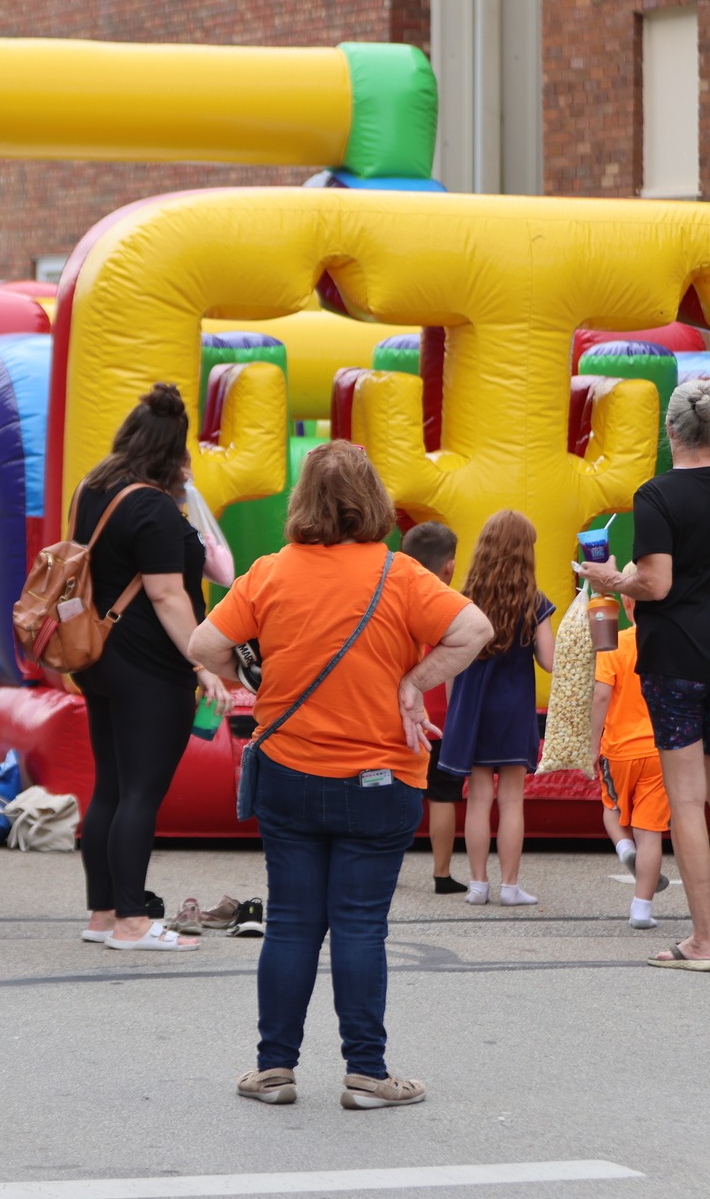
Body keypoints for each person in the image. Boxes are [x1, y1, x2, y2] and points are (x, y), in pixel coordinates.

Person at [190, 441, 491, 1111]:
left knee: (293, 922)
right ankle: (367, 1072)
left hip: (289, 771)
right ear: (373, 501)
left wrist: (251, 676)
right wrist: (415, 681)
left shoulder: (271, 573)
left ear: (303, 501)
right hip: (380, 776)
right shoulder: (402, 576)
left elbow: (203, 646)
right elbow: (475, 629)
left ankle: (274, 1069)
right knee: (360, 924)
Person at [577, 379, 710, 971]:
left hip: (676, 659)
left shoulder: (657, 494)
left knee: (686, 800)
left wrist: (612, 582)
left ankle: (700, 941)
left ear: (670, 432)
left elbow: (657, 584)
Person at [65, 384, 230, 951]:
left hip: (97, 657)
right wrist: (203, 662)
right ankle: (133, 923)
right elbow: (167, 596)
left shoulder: (94, 488)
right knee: (141, 792)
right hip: (150, 667)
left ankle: (103, 913)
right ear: (173, 452)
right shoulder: (153, 507)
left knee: (110, 786)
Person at [436, 509, 554, 908]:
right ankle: (510, 886)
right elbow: (550, 661)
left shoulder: (462, 601)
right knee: (512, 800)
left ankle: (477, 885)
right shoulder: (533, 603)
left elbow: (450, 662)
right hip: (514, 708)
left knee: (478, 797)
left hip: (472, 708)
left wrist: (457, 712)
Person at [588, 583, 669, 930]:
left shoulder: (613, 644)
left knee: (612, 810)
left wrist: (593, 744)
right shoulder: (669, 646)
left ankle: (623, 850)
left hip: (618, 750)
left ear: (625, 601)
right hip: (658, 750)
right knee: (650, 832)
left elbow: (601, 697)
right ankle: (641, 909)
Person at [398, 520, 466, 894]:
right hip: (439, 718)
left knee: (393, 789)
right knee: (442, 794)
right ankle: (441, 874)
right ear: (449, 566)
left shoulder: (390, 601)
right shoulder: (448, 606)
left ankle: (386, 866)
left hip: (396, 712)